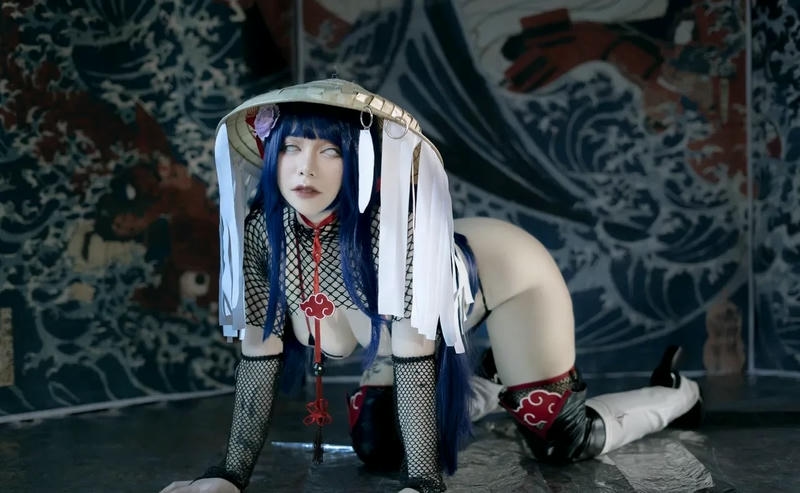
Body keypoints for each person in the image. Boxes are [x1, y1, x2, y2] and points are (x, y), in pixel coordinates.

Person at [159, 78, 702, 493]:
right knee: (376, 442)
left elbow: (416, 363)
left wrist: (423, 484)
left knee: (560, 439)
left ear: (362, 163)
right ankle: (489, 380)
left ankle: (677, 391)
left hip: (508, 277)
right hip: (409, 324)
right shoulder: (263, 234)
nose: (306, 169)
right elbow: (259, 359)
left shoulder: (391, 241)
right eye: (292, 148)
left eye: (331, 151)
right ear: (271, 154)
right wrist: (228, 477)